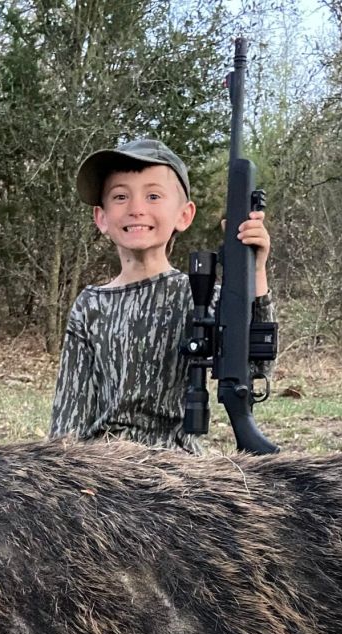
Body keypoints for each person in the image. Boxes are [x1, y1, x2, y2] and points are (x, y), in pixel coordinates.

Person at [48, 138, 274, 453]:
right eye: (120, 196)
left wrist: (256, 272)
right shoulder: (90, 305)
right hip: (101, 470)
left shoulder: (200, 297)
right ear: (101, 217)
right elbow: (67, 419)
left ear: (184, 214)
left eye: (153, 196)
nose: (137, 209)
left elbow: (254, 372)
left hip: (179, 470)